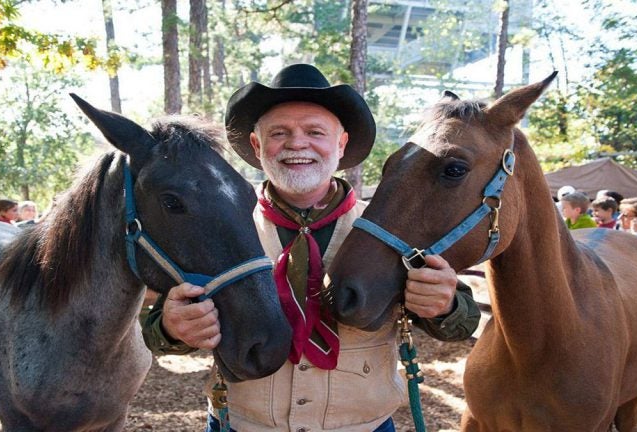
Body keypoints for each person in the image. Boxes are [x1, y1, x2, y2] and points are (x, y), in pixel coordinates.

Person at [142, 64, 481, 432]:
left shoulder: (395, 227)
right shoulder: (212, 227)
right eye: (279, 133)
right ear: (257, 146)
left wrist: (445, 305)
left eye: (315, 132)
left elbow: (461, 323)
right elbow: (160, 329)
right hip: (239, 424)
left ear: (341, 144)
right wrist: (172, 327)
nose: (297, 143)